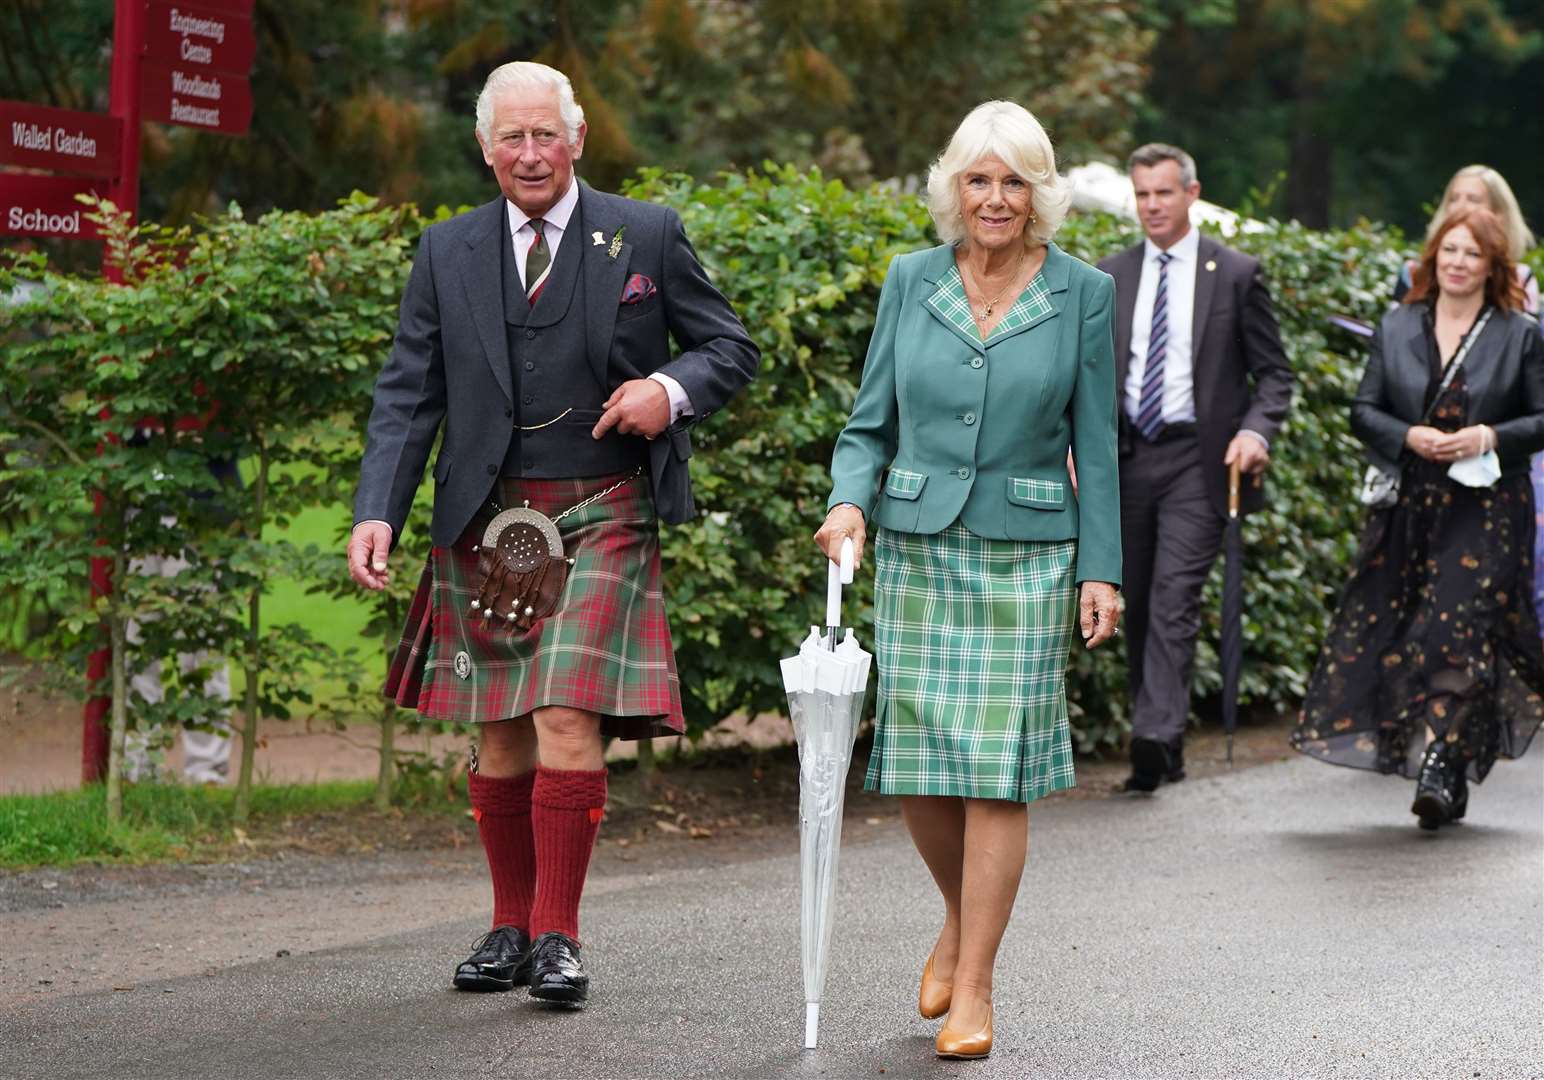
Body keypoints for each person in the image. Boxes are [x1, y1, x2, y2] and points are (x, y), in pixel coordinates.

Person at [348, 61, 757, 1006]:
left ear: (577, 140)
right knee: (499, 735)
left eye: (546, 135)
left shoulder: (644, 232)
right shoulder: (447, 250)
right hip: (484, 514)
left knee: (566, 712)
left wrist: (669, 390)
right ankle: (508, 925)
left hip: (604, 503)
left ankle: (558, 938)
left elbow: (729, 346)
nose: (530, 154)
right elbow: (410, 393)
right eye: (511, 138)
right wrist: (379, 508)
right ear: (486, 149)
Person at [817, 100, 1121, 1061]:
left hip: (1029, 554)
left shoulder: (1083, 292)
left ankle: (977, 982)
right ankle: (958, 917)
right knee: (917, 766)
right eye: (980, 179)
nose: (996, 198)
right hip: (914, 544)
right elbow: (871, 422)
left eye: (1015, 180)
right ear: (955, 187)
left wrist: (1101, 569)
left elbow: (1097, 445)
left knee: (997, 771)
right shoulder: (911, 280)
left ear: (1041, 192)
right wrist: (847, 500)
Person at [1293, 206, 1544, 830]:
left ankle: (1439, 761)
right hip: (1410, 502)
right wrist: (1409, 436)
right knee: (1404, 633)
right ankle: (1451, 760)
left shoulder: (1520, 332)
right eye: (1449, 251)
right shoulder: (1399, 322)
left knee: (1456, 629)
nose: (1458, 263)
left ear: (1492, 265)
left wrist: (1488, 434)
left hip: (1487, 507)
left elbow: (1542, 418)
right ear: (1433, 258)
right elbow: (1362, 409)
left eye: (1471, 254)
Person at [1096, 143, 1292, 792]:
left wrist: (1255, 432)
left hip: (1198, 461)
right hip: (1124, 460)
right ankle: (1167, 739)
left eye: (1164, 193)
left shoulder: (1235, 273)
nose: (1152, 205)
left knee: (1175, 598)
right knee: (1138, 600)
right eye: (1142, 194)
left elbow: (1275, 377)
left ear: (1192, 193)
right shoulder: (1109, 275)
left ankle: (1151, 737)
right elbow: (1088, 377)